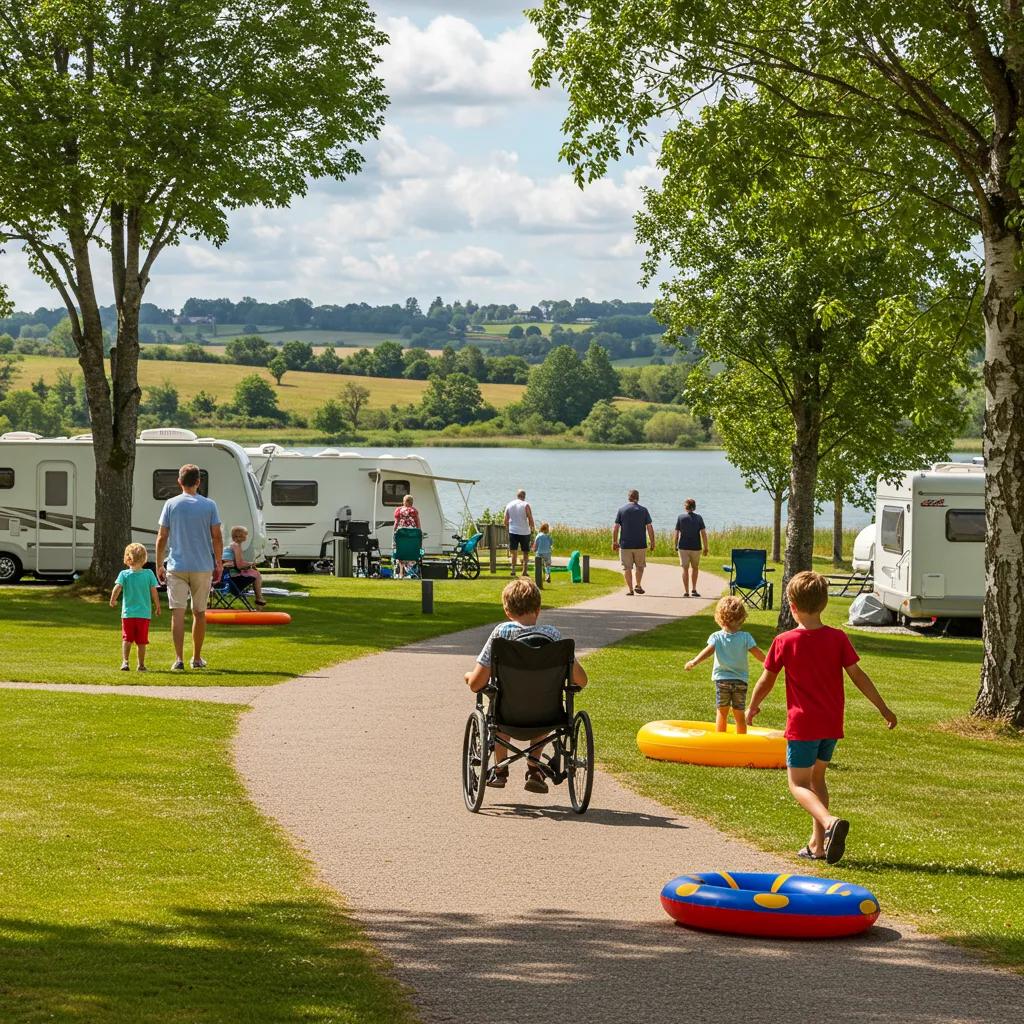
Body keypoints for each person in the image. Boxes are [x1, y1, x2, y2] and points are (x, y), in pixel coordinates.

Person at [747, 571, 897, 864]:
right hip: (830, 724)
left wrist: (753, 706)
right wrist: (883, 708)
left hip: (803, 726)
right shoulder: (837, 638)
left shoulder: (784, 641)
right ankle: (818, 845)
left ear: (791, 605)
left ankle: (829, 823)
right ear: (825, 603)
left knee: (798, 784)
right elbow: (859, 677)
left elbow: (766, 680)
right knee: (817, 779)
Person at [464, 578, 587, 793]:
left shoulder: (500, 635)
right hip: (546, 714)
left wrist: (467, 677)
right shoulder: (553, 636)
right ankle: (534, 768)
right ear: (538, 609)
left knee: (498, 704)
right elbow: (581, 681)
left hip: (507, 714)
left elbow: (476, 684)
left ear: (506, 610)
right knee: (540, 697)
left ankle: (500, 770)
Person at [155, 463, 223, 671]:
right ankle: (197, 658)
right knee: (199, 612)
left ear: (179, 482)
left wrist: (159, 563)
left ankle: (178, 659)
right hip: (202, 565)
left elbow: (162, 537)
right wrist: (218, 562)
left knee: (177, 613)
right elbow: (217, 537)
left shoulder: (171, 504)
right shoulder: (210, 505)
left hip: (177, 565)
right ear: (198, 482)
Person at [684, 596, 766, 733]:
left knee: (722, 712)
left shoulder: (717, 637)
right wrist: (769, 662)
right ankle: (741, 741)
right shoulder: (745, 637)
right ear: (742, 618)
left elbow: (707, 652)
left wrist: (694, 661)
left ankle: (720, 741)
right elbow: (757, 653)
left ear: (719, 618)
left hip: (722, 680)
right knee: (739, 713)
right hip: (740, 681)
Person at [109, 542, 160, 671]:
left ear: (127, 558)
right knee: (142, 641)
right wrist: (157, 606)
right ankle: (141, 665)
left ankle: (125, 662)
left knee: (127, 639)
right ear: (144, 558)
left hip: (128, 614)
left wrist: (113, 600)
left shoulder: (124, 574)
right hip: (143, 614)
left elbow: (117, 588)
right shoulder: (148, 574)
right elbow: (154, 591)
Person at [612, 488, 654, 596]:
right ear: (638, 498)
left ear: (628, 497)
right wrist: (652, 541)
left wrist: (614, 542)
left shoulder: (622, 510)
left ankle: (630, 589)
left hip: (625, 545)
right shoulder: (644, 510)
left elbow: (616, 527)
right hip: (640, 544)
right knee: (640, 567)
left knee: (627, 568)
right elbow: (649, 527)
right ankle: (638, 585)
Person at [674, 497, 709, 597]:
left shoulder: (680, 518)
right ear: (694, 507)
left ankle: (686, 591)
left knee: (685, 569)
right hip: (696, 547)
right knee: (695, 568)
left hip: (683, 547)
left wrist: (675, 545)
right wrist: (706, 547)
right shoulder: (699, 518)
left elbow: (676, 534)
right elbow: (703, 534)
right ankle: (693, 589)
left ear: (686, 507)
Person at [223, 525, 266, 605]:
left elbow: (237, 562)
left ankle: (258, 597)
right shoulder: (236, 546)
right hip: (232, 577)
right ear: (240, 536)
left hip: (224, 576)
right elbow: (239, 565)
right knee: (257, 574)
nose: (246, 536)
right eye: (246, 534)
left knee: (253, 571)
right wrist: (251, 564)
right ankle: (259, 598)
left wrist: (250, 564)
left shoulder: (230, 545)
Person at [504, 488, 535, 577]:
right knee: (525, 552)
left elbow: (505, 520)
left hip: (513, 531)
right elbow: (530, 518)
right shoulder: (526, 505)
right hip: (524, 532)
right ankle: (524, 571)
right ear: (524, 496)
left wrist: (508, 527)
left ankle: (513, 569)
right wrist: (532, 528)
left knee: (514, 551)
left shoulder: (509, 504)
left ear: (517, 496)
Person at [393, 494, 421, 578]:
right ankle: (411, 571)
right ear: (411, 502)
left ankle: (401, 572)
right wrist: (419, 532)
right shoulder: (414, 511)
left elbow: (396, 523)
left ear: (405, 502)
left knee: (399, 550)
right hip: (412, 539)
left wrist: (394, 531)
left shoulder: (398, 510)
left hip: (401, 536)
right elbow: (418, 524)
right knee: (412, 550)